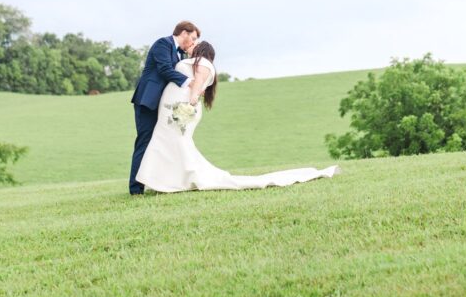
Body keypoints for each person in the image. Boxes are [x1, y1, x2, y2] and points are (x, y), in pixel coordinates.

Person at [136, 40, 338, 193]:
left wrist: (189, 103)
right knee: (170, 143)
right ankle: (167, 180)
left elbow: (197, 84)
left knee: (176, 143)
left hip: (182, 107)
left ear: (202, 51)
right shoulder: (201, 63)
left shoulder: (203, 63)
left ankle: (178, 179)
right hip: (175, 107)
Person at [129, 21, 200, 195]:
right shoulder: (163, 43)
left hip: (163, 104)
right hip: (148, 100)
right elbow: (164, 69)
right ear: (184, 32)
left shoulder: (180, 55)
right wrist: (191, 83)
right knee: (144, 141)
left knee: (160, 143)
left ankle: (159, 181)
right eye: (192, 38)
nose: (193, 42)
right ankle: (136, 188)